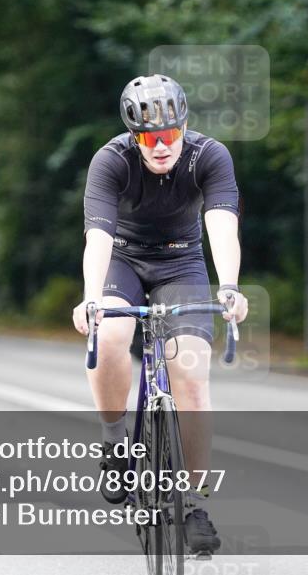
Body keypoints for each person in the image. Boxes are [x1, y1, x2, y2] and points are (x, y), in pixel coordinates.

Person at [71, 74, 249, 554]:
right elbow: (97, 238)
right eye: (150, 138)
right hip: (123, 259)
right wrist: (92, 297)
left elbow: (222, 226)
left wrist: (229, 287)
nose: (162, 145)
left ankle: (194, 503)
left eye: (170, 134)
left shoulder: (209, 156)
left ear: (183, 126)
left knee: (191, 375)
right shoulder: (111, 160)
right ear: (135, 137)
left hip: (181, 261)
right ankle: (114, 444)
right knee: (110, 336)